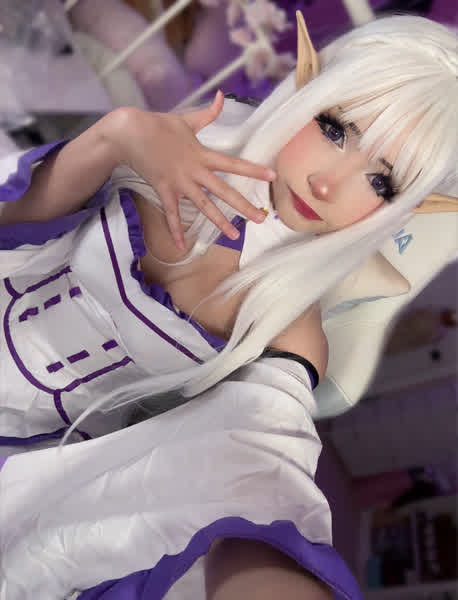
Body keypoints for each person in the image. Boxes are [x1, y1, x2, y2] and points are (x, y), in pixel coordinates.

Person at [0, 13, 456, 600]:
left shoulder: (292, 332)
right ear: (308, 87)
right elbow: (16, 221)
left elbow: (262, 478)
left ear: (408, 209)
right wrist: (115, 135)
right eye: (337, 128)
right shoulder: (194, 140)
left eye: (381, 183)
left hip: (27, 449)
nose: (328, 183)